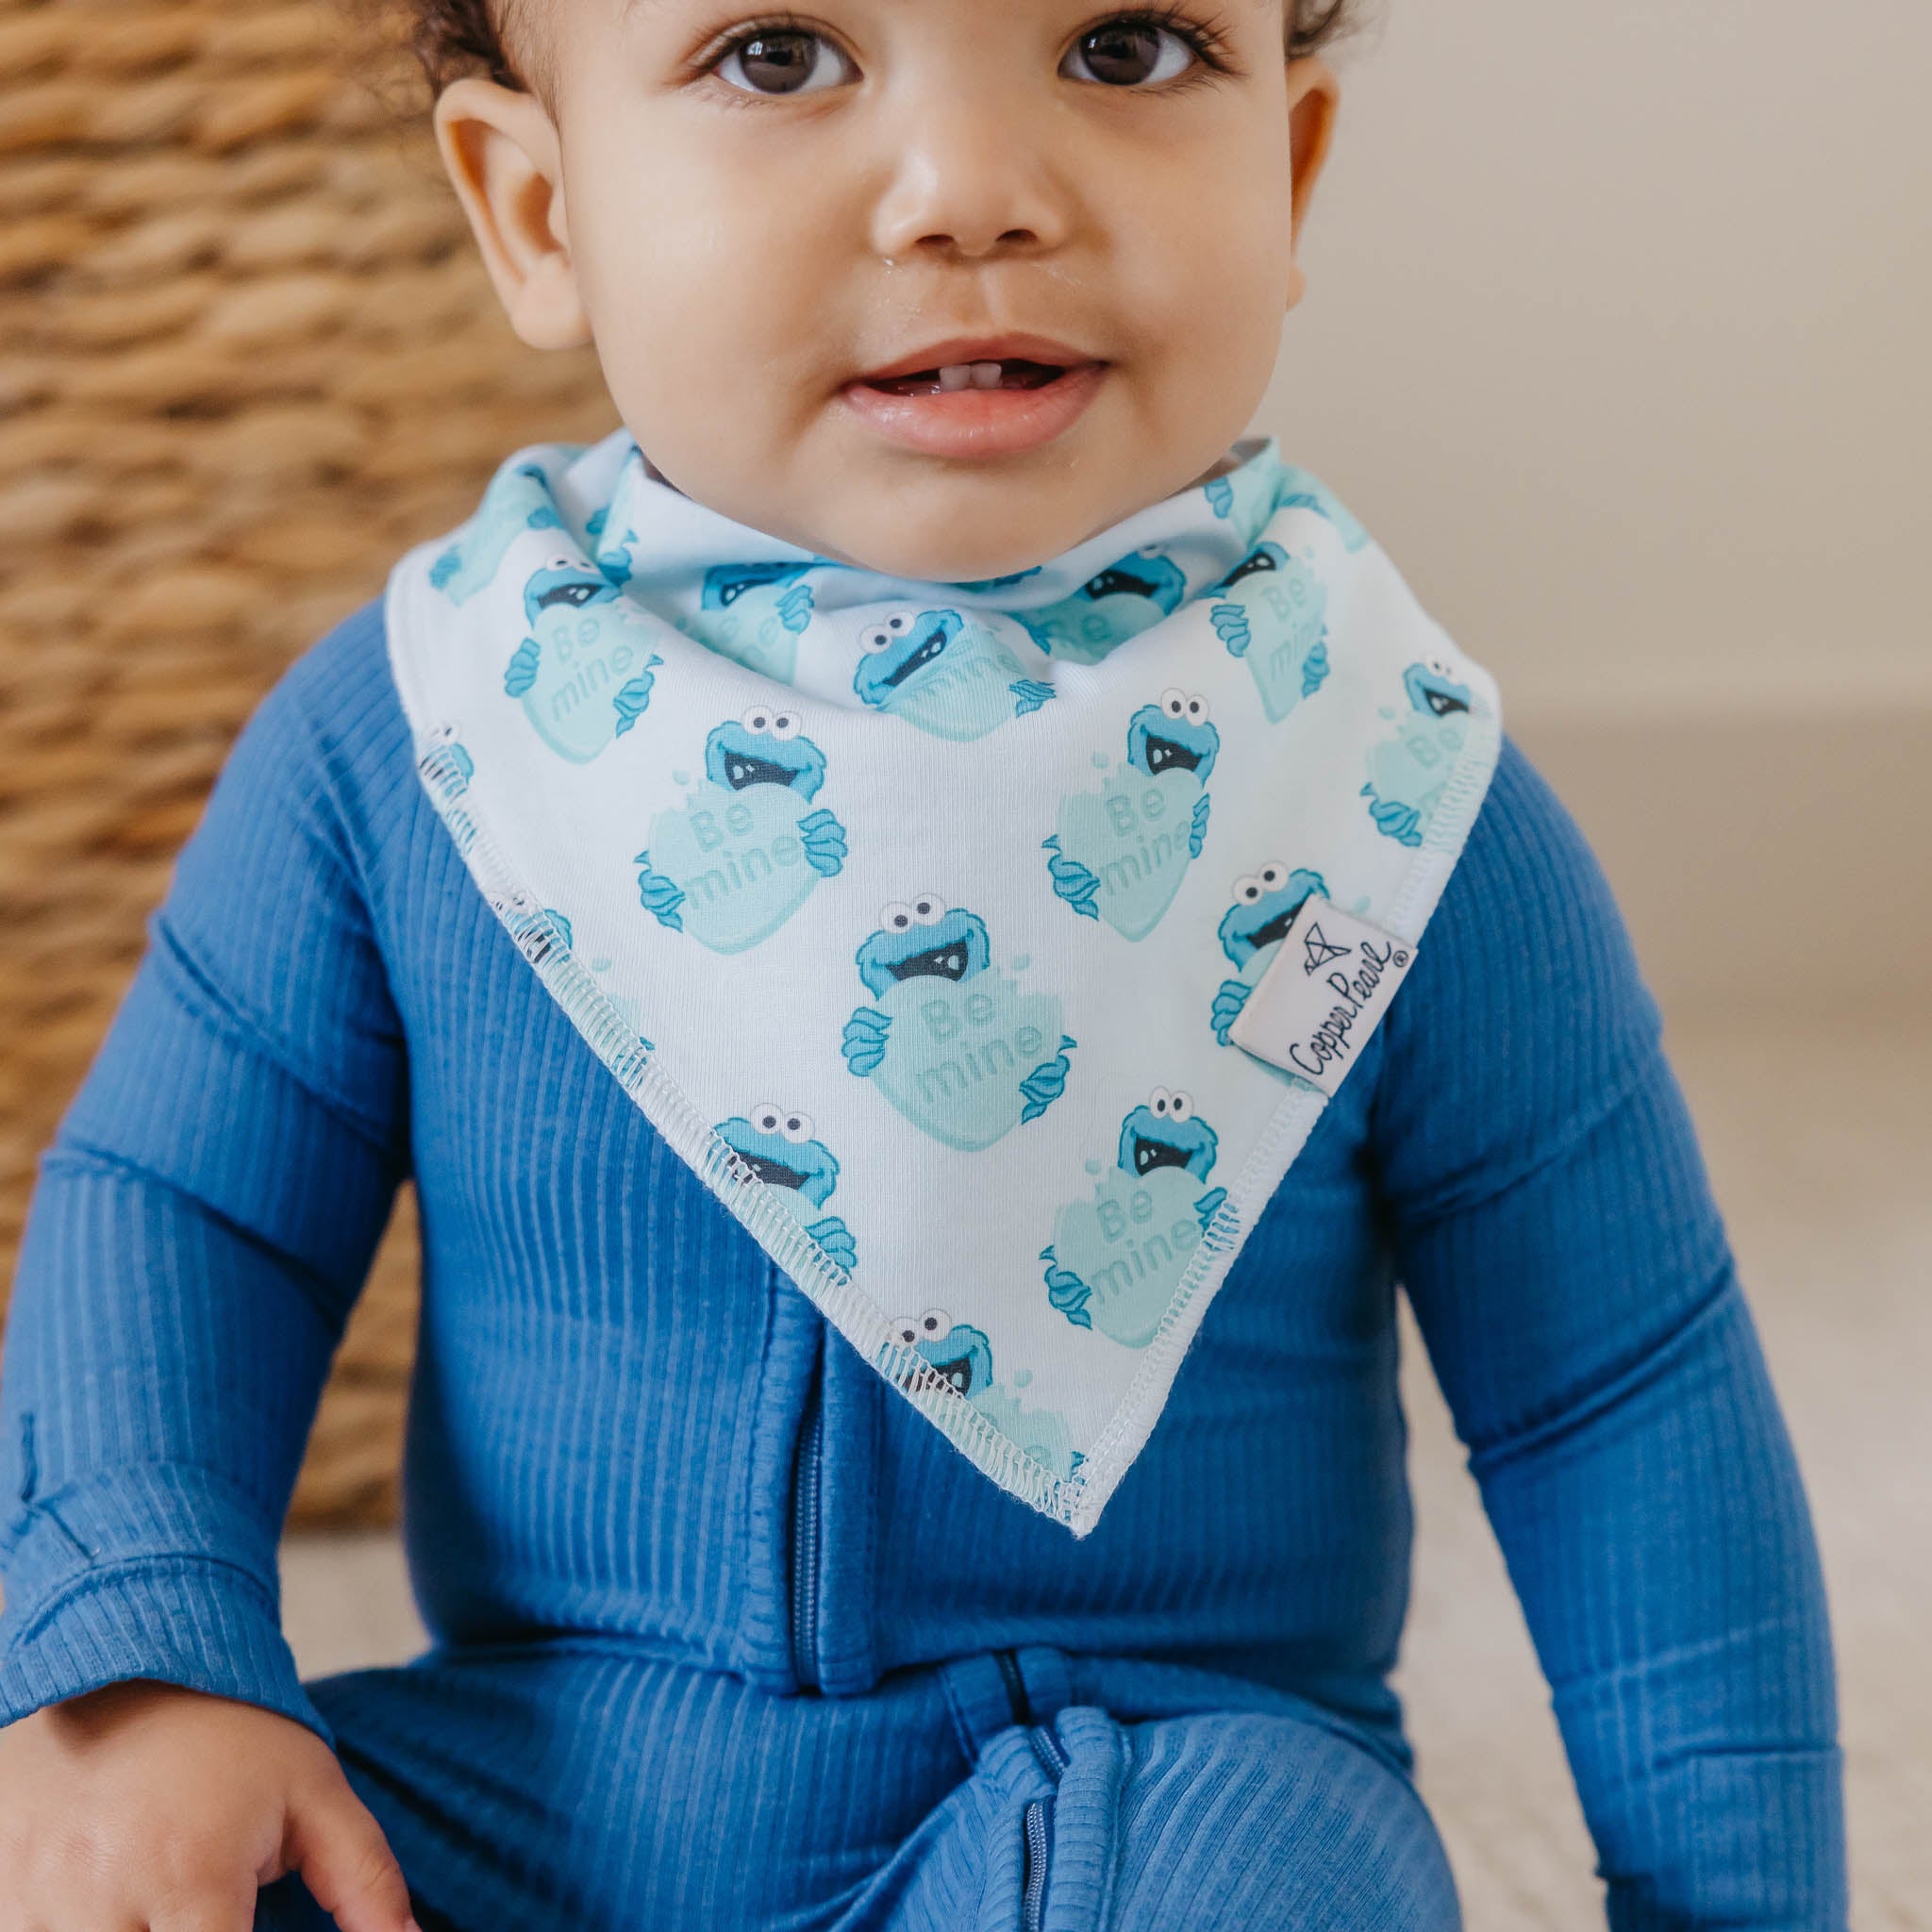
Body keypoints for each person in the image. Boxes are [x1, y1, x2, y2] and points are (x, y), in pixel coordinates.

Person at [0, 1, 1846, 1927]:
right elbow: (186, 1216)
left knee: (1258, 1885)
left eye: (1125, 48)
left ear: (1290, 170)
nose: (972, 191)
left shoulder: (1384, 785)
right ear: (539, 213)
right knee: (127, 1859)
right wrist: (146, 1664)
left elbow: (1621, 1395)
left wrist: (1737, 1905)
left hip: (1143, 1784)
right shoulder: (427, 735)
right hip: (547, 1789)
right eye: (779, 55)